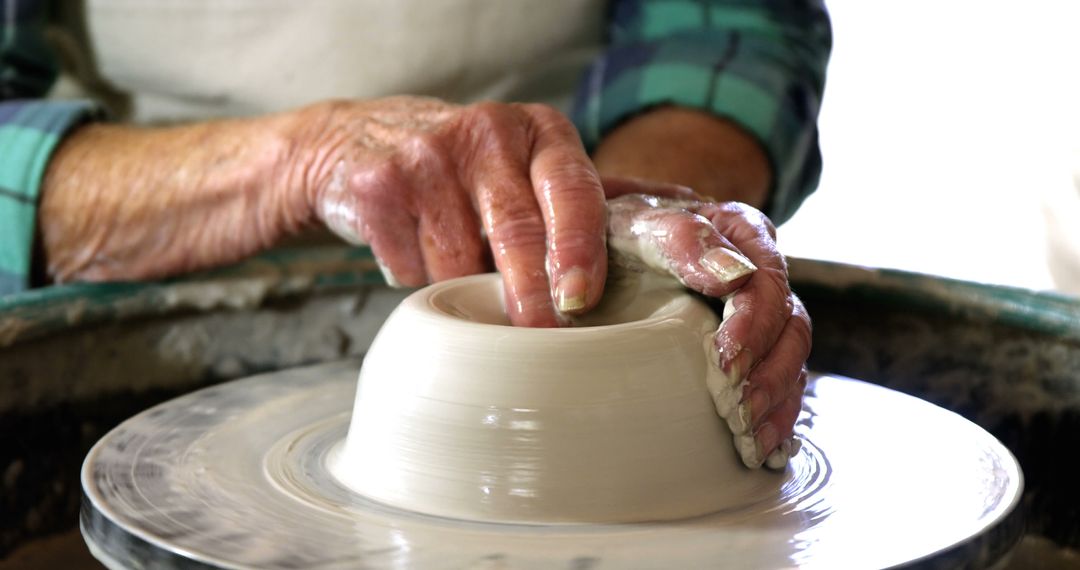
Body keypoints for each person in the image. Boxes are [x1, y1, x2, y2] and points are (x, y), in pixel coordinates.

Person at [0, 0, 829, 465]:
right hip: (142, 247)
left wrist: (634, 228)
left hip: (559, 222)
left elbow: (727, 28)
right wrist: (297, 161)